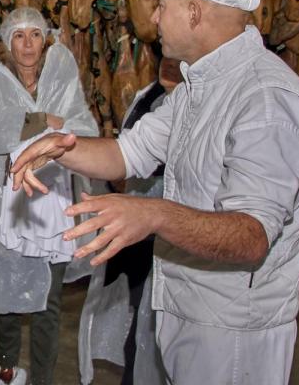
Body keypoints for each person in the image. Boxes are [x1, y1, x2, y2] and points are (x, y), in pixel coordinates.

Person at [11, 0, 299, 384]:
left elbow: (252, 237)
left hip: (233, 329)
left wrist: (153, 214)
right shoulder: (199, 88)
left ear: (194, 13)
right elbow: (128, 152)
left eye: (163, 6)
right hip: (185, 304)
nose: (154, 18)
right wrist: (61, 147)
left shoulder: (265, 99)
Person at [0, 7, 99, 385]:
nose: (28, 44)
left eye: (35, 35)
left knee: (47, 300)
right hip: (3, 197)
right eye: (19, 36)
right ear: (8, 41)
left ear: (46, 40)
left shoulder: (61, 70)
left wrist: (58, 130)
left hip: (51, 201)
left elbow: (84, 126)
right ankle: (8, 369)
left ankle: (42, 378)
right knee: (5, 291)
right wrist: (39, 122)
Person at [77, 56, 182, 385]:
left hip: (166, 234)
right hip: (132, 231)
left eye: (178, 61)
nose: (168, 65)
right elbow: (127, 151)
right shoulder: (147, 95)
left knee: (157, 326)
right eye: (165, 58)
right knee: (138, 317)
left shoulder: (191, 104)